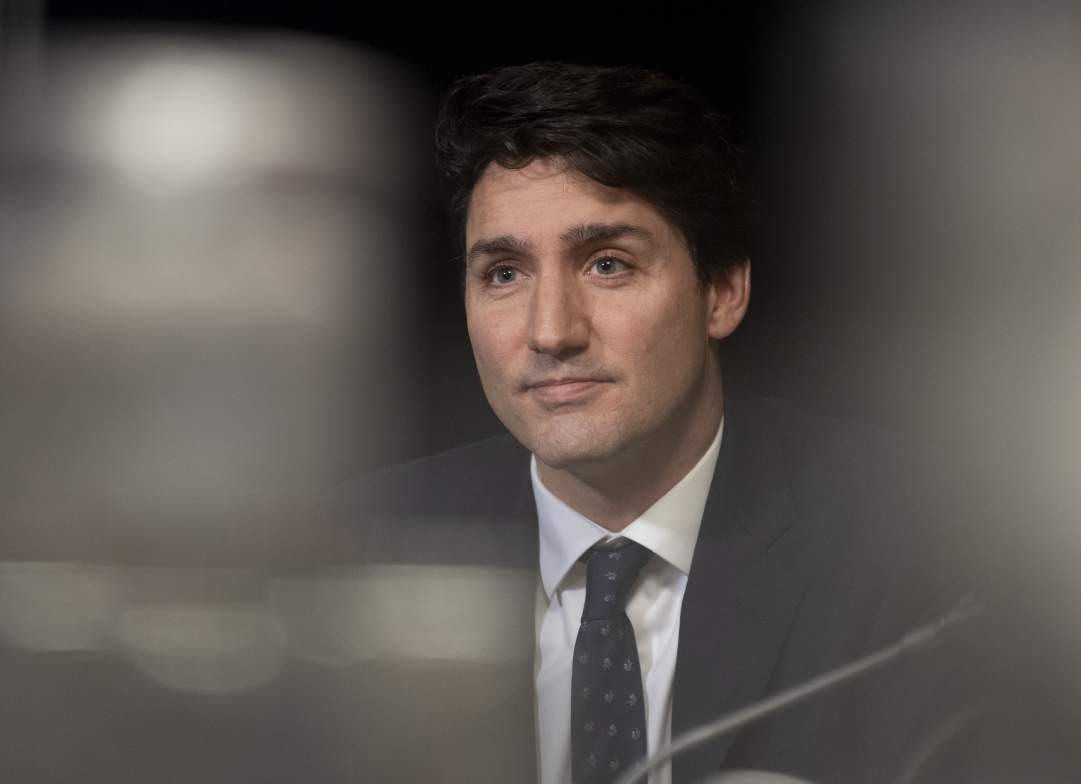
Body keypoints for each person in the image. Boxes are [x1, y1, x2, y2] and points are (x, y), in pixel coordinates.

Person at [343, 62, 976, 784]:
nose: (551, 331)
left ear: (724, 290)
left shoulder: (915, 543)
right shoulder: (365, 553)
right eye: (505, 274)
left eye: (607, 264)